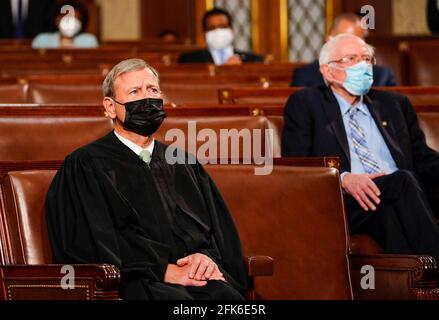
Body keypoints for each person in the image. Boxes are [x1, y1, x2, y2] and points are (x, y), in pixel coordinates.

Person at [45, 58, 247, 300]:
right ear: (110, 107)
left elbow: (218, 234)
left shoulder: (183, 163)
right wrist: (162, 270)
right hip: (131, 283)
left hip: (193, 279)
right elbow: (89, 244)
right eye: (134, 92)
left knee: (227, 298)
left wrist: (206, 259)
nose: (147, 99)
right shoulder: (85, 165)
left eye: (152, 90)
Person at [282, 33, 439, 257]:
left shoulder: (394, 104)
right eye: (352, 59)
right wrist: (343, 178)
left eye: (367, 59)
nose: (363, 66)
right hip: (346, 200)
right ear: (327, 70)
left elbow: (422, 157)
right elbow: (296, 164)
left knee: (392, 209)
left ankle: (414, 284)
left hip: (398, 196)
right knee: (403, 181)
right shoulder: (306, 104)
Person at [291, 13, 397, 87]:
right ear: (329, 40)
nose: (352, 47)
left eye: (358, 41)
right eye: (345, 40)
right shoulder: (305, 76)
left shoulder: (382, 77)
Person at [178, 8, 263, 65]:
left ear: (232, 30)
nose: (218, 31)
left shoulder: (253, 60)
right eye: (211, 28)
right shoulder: (189, 60)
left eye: (222, 26)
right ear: (204, 34)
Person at [32, 1, 98, 49]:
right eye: (66, 17)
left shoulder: (89, 41)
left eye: (75, 18)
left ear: (81, 23)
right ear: (57, 20)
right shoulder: (41, 41)